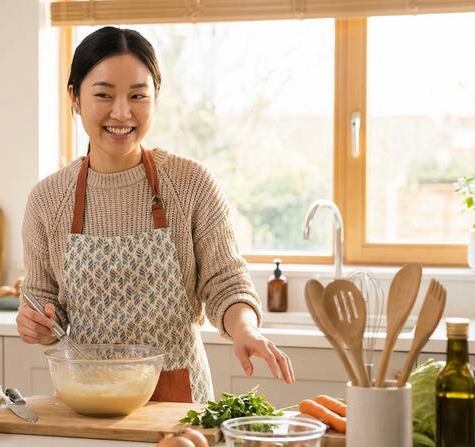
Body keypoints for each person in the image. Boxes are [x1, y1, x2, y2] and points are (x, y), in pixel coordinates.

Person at [17, 26, 294, 403]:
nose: (121, 112)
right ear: (75, 98)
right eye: (103, 94)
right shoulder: (47, 200)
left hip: (181, 407)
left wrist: (246, 330)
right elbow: (43, 304)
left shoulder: (190, 183)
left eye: (137, 96)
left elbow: (225, 283)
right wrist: (37, 325)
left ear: (155, 99)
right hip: (87, 402)